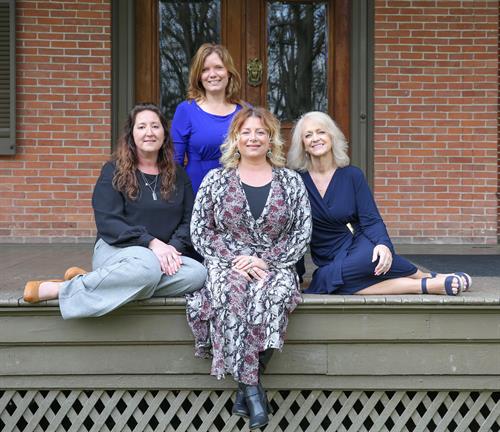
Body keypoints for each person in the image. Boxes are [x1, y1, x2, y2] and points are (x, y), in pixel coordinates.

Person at [186, 106, 311, 429]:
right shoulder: (216, 179)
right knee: (230, 295)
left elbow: (301, 232)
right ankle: (253, 391)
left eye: (260, 132)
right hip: (227, 262)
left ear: (271, 139)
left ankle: (245, 388)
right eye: (246, 132)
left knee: (276, 295)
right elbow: (201, 230)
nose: (253, 138)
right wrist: (233, 259)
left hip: (275, 261)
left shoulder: (291, 181)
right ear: (235, 139)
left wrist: (265, 260)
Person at [23, 103, 207, 318]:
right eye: (142, 127)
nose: (149, 132)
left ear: (164, 134)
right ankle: (61, 290)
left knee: (197, 274)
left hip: (163, 254)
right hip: (118, 248)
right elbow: (108, 221)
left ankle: (98, 281)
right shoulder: (114, 170)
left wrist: (171, 249)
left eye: (155, 126)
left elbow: (190, 219)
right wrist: (151, 243)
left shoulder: (178, 174)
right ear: (131, 134)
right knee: (146, 268)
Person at [288, 111, 472, 296]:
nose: (315, 139)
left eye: (321, 132)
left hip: (357, 243)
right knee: (327, 277)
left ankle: (424, 279)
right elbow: (292, 230)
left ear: (331, 137)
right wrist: (296, 273)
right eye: (308, 135)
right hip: (329, 254)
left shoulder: (353, 175)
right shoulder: (296, 181)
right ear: (302, 144)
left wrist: (383, 245)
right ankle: (427, 281)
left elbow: (371, 219)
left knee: (369, 258)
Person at [171, 43, 244, 195]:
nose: (212, 74)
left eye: (218, 67)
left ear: (229, 72)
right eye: (205, 70)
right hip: (196, 191)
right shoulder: (186, 110)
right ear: (198, 76)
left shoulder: (245, 112)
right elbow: (174, 162)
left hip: (238, 193)